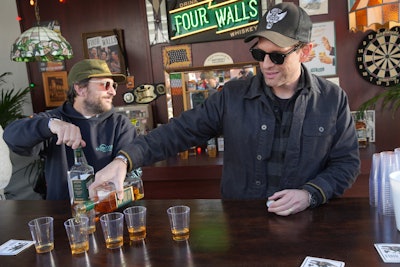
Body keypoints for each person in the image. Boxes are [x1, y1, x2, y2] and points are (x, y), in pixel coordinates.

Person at [90, 3, 360, 216]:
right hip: (241, 223)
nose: (266, 64)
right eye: (259, 54)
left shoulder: (332, 100)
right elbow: (178, 132)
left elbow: (346, 163)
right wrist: (123, 160)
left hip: (306, 221)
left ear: (306, 51)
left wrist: (310, 194)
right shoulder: (232, 96)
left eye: (277, 55)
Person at [3, 59, 137, 200]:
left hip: (109, 213)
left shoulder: (120, 124)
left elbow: (130, 169)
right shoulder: (53, 119)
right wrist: (50, 125)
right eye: (106, 85)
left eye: (114, 85)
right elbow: (11, 136)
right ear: (80, 89)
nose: (113, 92)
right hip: (62, 215)